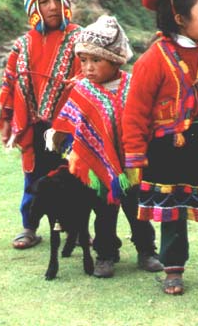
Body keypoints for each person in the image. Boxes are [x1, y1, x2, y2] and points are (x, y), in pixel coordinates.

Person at [121, 0, 198, 295]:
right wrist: (134, 158)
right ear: (179, 17)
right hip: (168, 151)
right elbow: (136, 114)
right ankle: (173, 270)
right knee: (173, 213)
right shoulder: (152, 61)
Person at [48, 15, 163, 277]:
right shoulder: (82, 90)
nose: (88, 67)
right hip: (98, 170)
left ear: (114, 60)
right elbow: (68, 124)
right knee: (104, 213)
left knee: (138, 211)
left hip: (133, 166)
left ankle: (147, 251)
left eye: (96, 60)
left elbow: (147, 117)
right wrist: (61, 141)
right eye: (84, 60)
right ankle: (106, 254)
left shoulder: (133, 86)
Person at [0, 0, 83, 250]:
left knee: (72, 176)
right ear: (33, 6)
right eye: (44, 0)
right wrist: (6, 119)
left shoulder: (79, 39)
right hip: (33, 125)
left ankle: (76, 229)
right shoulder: (22, 46)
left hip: (69, 125)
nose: (51, 6)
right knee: (33, 176)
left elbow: (90, 77)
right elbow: (9, 85)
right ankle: (29, 226)